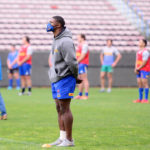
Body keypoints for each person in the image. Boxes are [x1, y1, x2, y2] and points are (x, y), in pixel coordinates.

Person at [42, 16, 81, 148]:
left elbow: (72, 62)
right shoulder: (56, 39)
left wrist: (75, 77)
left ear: (58, 25)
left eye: (51, 22)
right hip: (56, 78)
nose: (48, 24)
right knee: (59, 108)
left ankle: (69, 140)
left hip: (65, 78)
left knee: (65, 108)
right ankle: (62, 138)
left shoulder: (66, 41)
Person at [133, 39, 150, 103]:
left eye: (140, 42)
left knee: (145, 83)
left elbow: (144, 63)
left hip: (145, 69)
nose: (139, 43)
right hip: (139, 69)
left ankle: (146, 99)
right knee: (139, 83)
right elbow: (137, 61)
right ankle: (140, 98)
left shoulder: (145, 52)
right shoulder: (138, 52)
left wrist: (138, 68)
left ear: (144, 44)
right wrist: (136, 68)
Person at [74, 34, 89, 100]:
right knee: (79, 79)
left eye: (78, 37)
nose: (77, 39)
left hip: (83, 63)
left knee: (84, 79)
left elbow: (83, 55)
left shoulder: (85, 45)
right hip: (79, 64)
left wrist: (76, 62)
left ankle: (86, 95)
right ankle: (80, 95)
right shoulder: (79, 45)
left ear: (82, 38)